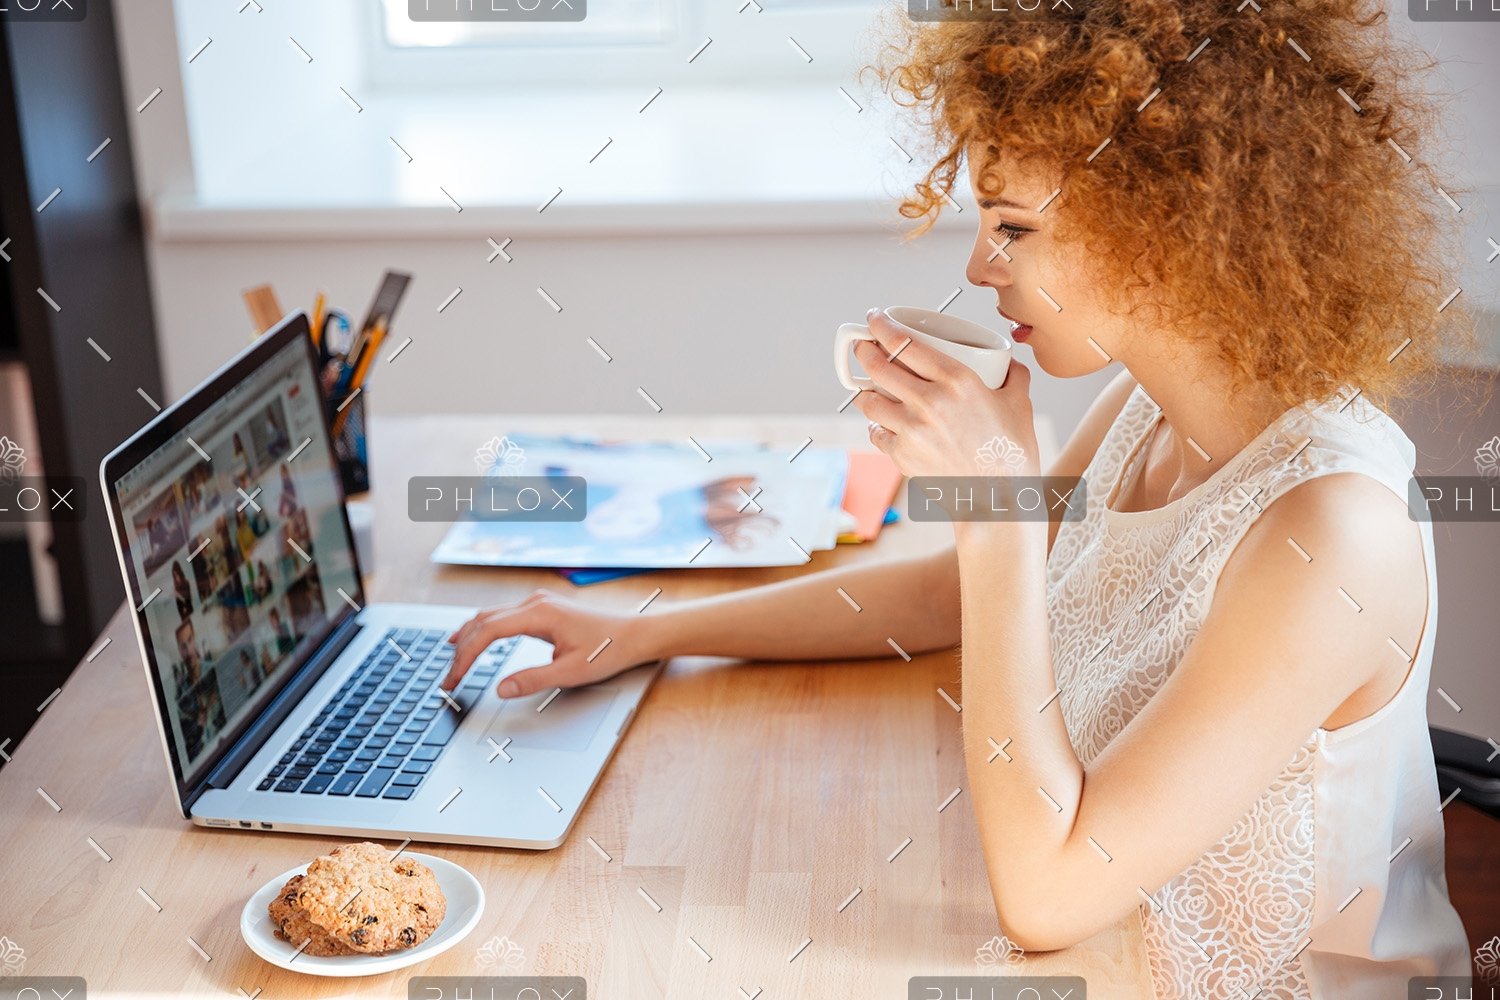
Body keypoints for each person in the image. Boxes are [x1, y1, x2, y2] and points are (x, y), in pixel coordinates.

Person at [439, 4, 1484, 997]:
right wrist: (642, 630)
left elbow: (1047, 894)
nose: (981, 265)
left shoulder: (1335, 531)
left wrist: (997, 516)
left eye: (1014, 228)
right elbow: (951, 602)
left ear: (1170, 225)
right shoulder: (1148, 406)